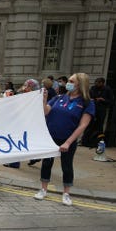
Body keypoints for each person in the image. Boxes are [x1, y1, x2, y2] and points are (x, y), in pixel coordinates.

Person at [34, 73, 95, 206]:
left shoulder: (86, 103)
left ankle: (66, 193)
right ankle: (43, 189)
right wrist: (44, 100)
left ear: (80, 84)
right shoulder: (59, 97)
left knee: (66, 166)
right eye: (69, 81)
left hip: (68, 139)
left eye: (72, 81)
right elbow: (46, 112)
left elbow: (83, 125)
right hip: (51, 137)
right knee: (46, 164)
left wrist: (68, 142)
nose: (68, 83)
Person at [82, 77, 114, 147]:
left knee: (99, 126)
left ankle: (98, 141)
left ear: (102, 83)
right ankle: (85, 140)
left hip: (101, 110)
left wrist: (103, 100)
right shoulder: (93, 88)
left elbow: (111, 101)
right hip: (93, 108)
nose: (96, 84)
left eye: (98, 82)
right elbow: (89, 97)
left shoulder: (107, 89)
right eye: (96, 82)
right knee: (89, 125)